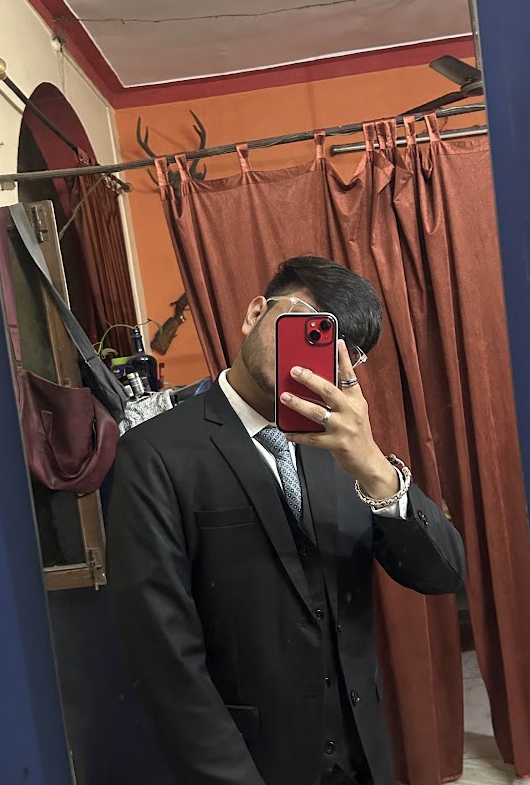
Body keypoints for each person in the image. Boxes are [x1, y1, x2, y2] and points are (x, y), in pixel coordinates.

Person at [107, 256, 465, 785]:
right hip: (253, 763)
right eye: (309, 331)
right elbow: (164, 658)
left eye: (341, 352)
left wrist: (373, 466)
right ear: (255, 314)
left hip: (363, 756)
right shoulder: (154, 453)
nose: (313, 361)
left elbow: (442, 574)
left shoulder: (344, 448)